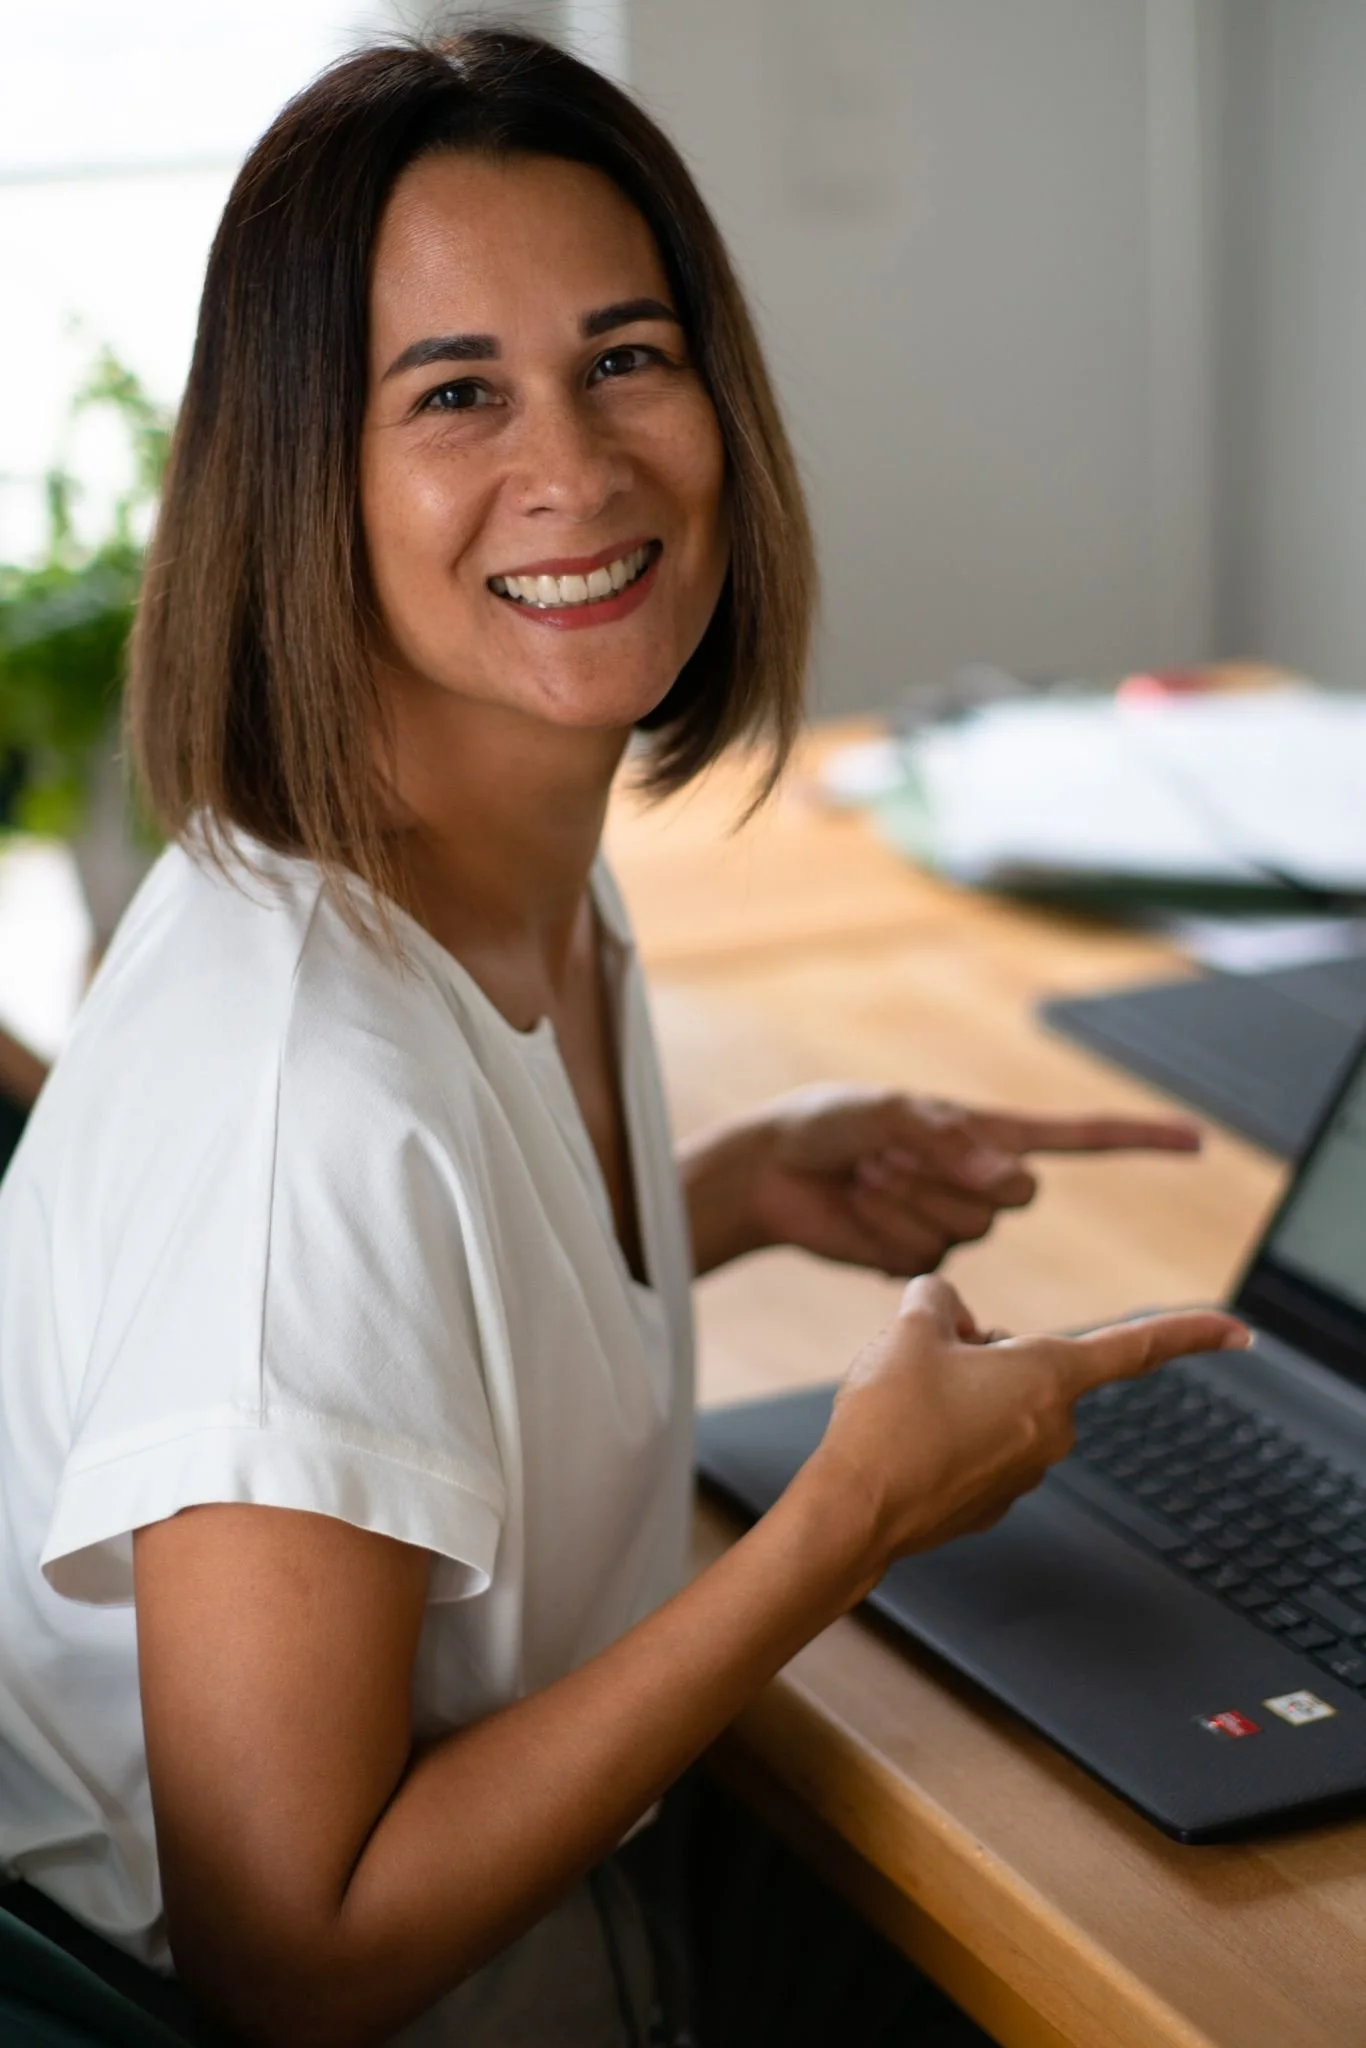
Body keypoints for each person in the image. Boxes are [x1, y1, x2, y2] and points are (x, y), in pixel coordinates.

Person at [0, 27, 1249, 2048]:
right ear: (298, 469)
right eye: (455, 393)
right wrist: (844, 1523)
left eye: (623, 358)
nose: (574, 467)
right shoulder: (292, 1096)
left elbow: (395, 1328)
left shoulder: (509, 867)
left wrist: (720, 1197)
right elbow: (287, 1953)